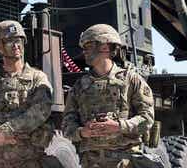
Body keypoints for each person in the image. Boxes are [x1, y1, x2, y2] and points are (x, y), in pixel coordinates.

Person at [62, 24, 157, 168]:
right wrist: (82, 132)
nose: (84, 52)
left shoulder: (131, 80)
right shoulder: (79, 87)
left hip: (126, 162)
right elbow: (67, 126)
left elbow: (147, 119)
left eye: (88, 46)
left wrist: (119, 126)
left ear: (105, 47)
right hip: (91, 162)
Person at [0, 20, 54, 168]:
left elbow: (42, 109)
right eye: (10, 41)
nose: (16, 45)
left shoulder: (37, 78)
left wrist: (8, 130)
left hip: (30, 158)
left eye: (19, 40)